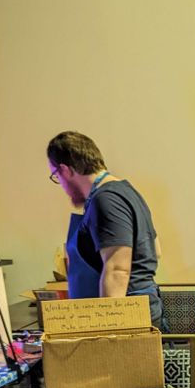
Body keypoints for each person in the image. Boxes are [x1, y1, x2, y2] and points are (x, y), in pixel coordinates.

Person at [46, 131, 165, 329]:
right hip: (138, 309)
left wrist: (109, 330)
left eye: (56, 176)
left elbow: (117, 269)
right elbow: (156, 250)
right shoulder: (126, 192)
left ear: (65, 170)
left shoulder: (106, 199)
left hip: (128, 317)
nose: (62, 185)